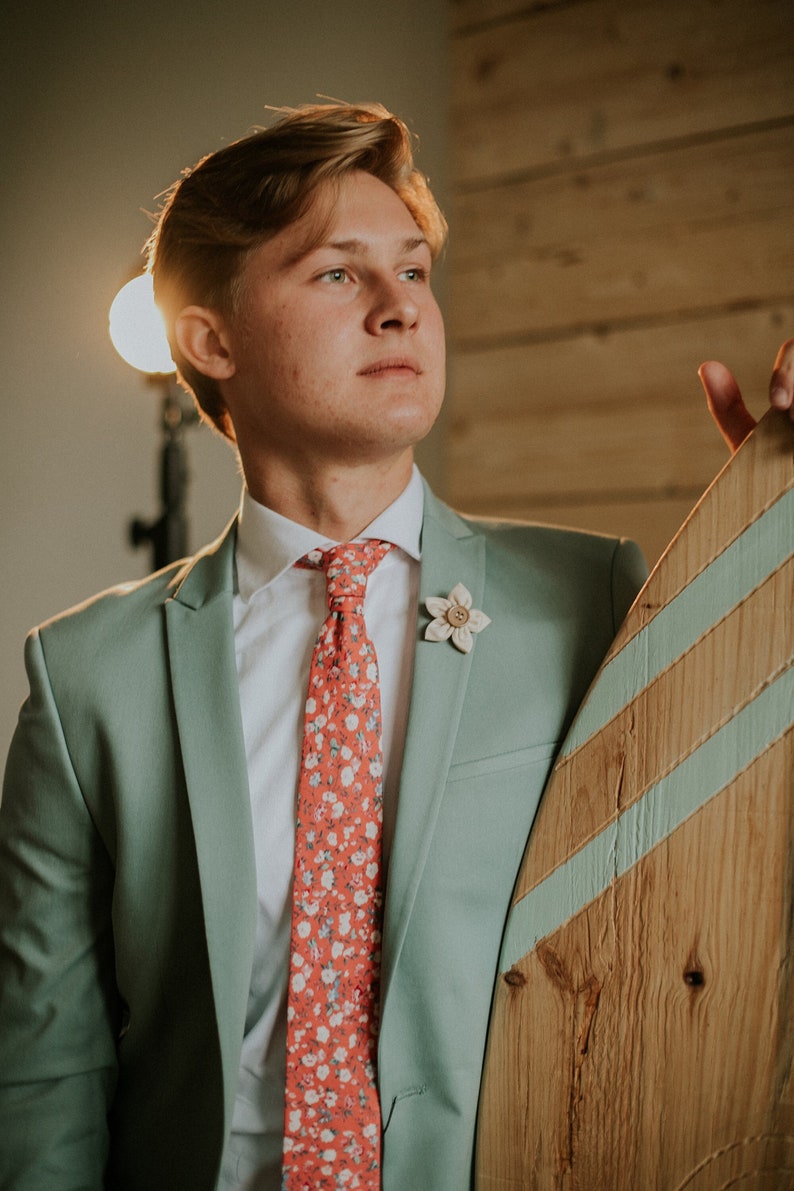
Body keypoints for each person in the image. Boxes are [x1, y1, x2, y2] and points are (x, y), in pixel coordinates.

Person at [0, 102, 791, 1191]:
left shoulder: (595, 597)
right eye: (336, 274)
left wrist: (773, 548)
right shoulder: (83, 675)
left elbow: (744, 864)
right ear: (210, 338)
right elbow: (45, 1070)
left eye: (413, 273)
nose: (397, 310)